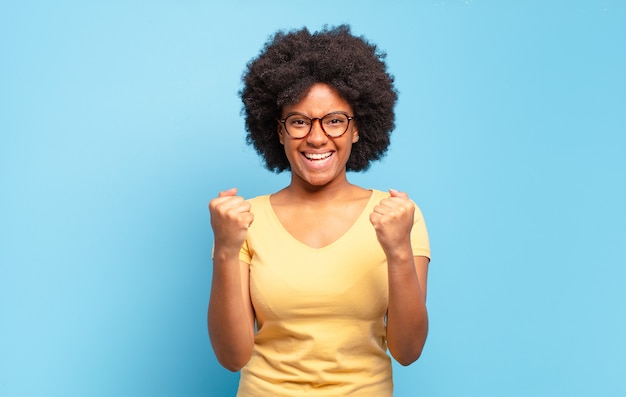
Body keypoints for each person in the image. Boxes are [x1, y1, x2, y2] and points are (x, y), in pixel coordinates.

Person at [208, 25, 430, 397]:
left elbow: (407, 352)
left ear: (357, 129)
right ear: (278, 132)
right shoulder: (244, 221)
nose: (316, 137)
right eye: (298, 121)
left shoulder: (397, 216)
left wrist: (398, 251)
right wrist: (226, 249)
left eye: (334, 120)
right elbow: (232, 357)